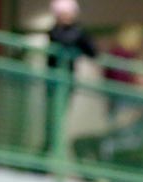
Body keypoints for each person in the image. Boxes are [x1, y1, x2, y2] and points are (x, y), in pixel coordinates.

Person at [42, 0, 95, 156]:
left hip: (67, 82)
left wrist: (80, 37)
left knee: (58, 119)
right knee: (51, 120)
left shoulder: (78, 32)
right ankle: (49, 151)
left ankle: (52, 151)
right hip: (54, 82)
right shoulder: (55, 32)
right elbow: (60, 40)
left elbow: (92, 51)